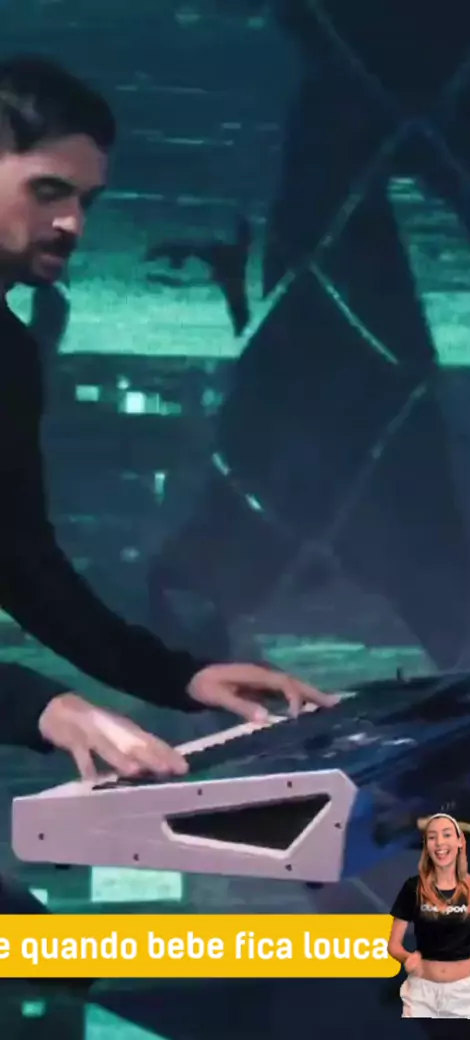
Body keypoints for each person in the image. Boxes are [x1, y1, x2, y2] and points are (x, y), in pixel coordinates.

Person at [0, 54, 339, 783]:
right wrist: (39, 707)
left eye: (87, 201)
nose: (71, 224)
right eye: (48, 192)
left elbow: (23, 565)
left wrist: (179, 676)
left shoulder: (9, 354)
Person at [388, 813, 470, 1019]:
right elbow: (394, 945)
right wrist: (407, 958)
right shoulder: (414, 887)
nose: (439, 843)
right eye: (433, 838)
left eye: (446, 836)